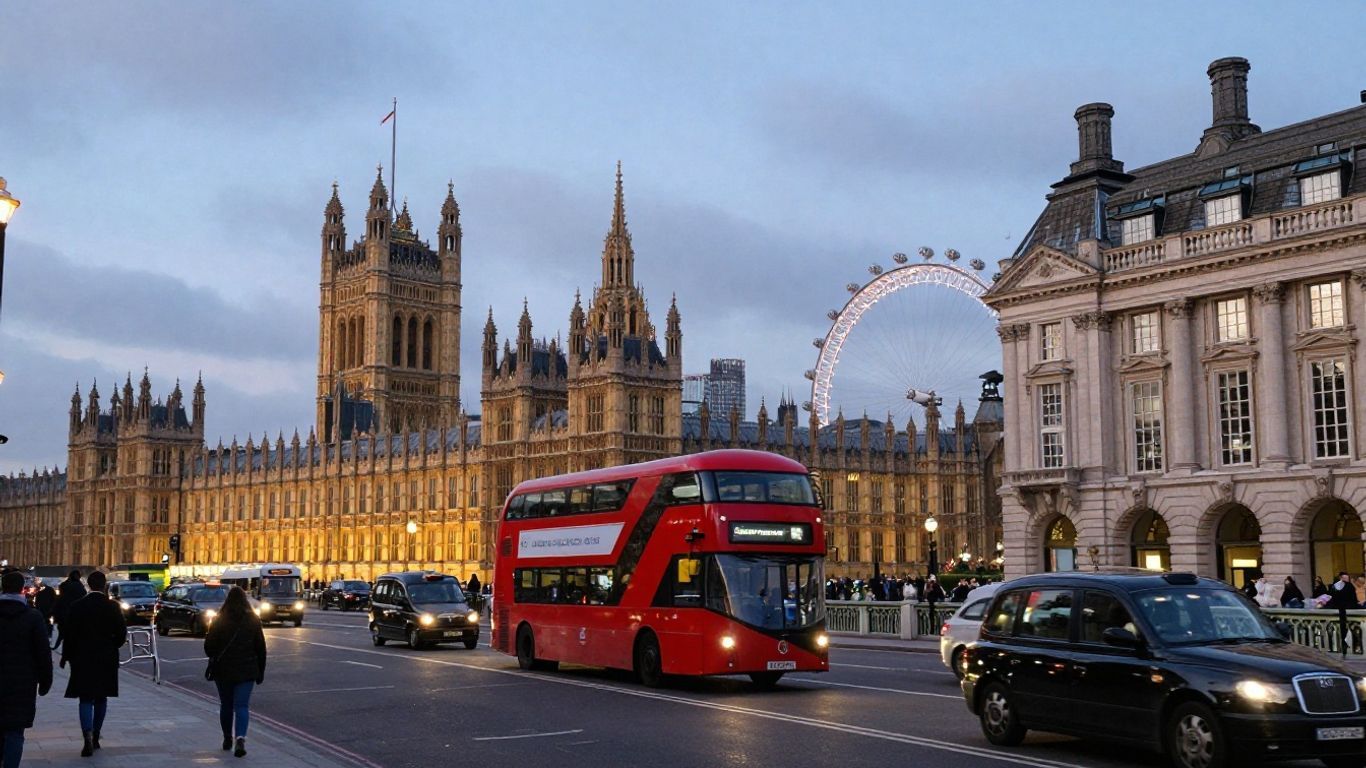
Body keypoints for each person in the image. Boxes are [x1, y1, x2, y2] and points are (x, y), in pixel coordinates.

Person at [61, 570, 125, 757]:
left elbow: (69, 634)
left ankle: (86, 734)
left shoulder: (77, 606)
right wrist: (112, 646)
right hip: (106, 657)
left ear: (88, 585)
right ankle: (96, 735)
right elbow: (121, 634)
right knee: (101, 698)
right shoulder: (113, 606)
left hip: (82, 657)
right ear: (104, 585)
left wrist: (66, 657)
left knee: (85, 698)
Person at [204, 586, 266, 758]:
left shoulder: (219, 619)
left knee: (226, 705)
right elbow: (261, 648)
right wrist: (260, 671)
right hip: (247, 670)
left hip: (223, 670)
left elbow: (209, 648)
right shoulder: (253, 620)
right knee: (242, 706)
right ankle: (240, 738)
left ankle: (226, 738)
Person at [0, 570, 53, 768]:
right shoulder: (32, 617)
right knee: (14, 731)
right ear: (22, 589)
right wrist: (46, 681)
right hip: (21, 683)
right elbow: (42, 653)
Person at [50, 570, 86, 652]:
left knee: (63, 634)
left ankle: (62, 650)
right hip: (75, 617)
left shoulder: (65, 586)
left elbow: (60, 601)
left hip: (63, 615)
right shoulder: (80, 588)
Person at [1327, 571, 1359, 658]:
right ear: (1341, 578)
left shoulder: (1336, 586)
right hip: (1345, 611)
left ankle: (1344, 649)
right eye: (1345, 578)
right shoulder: (1347, 586)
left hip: (1342, 612)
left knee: (1344, 633)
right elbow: (1353, 599)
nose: (1346, 580)